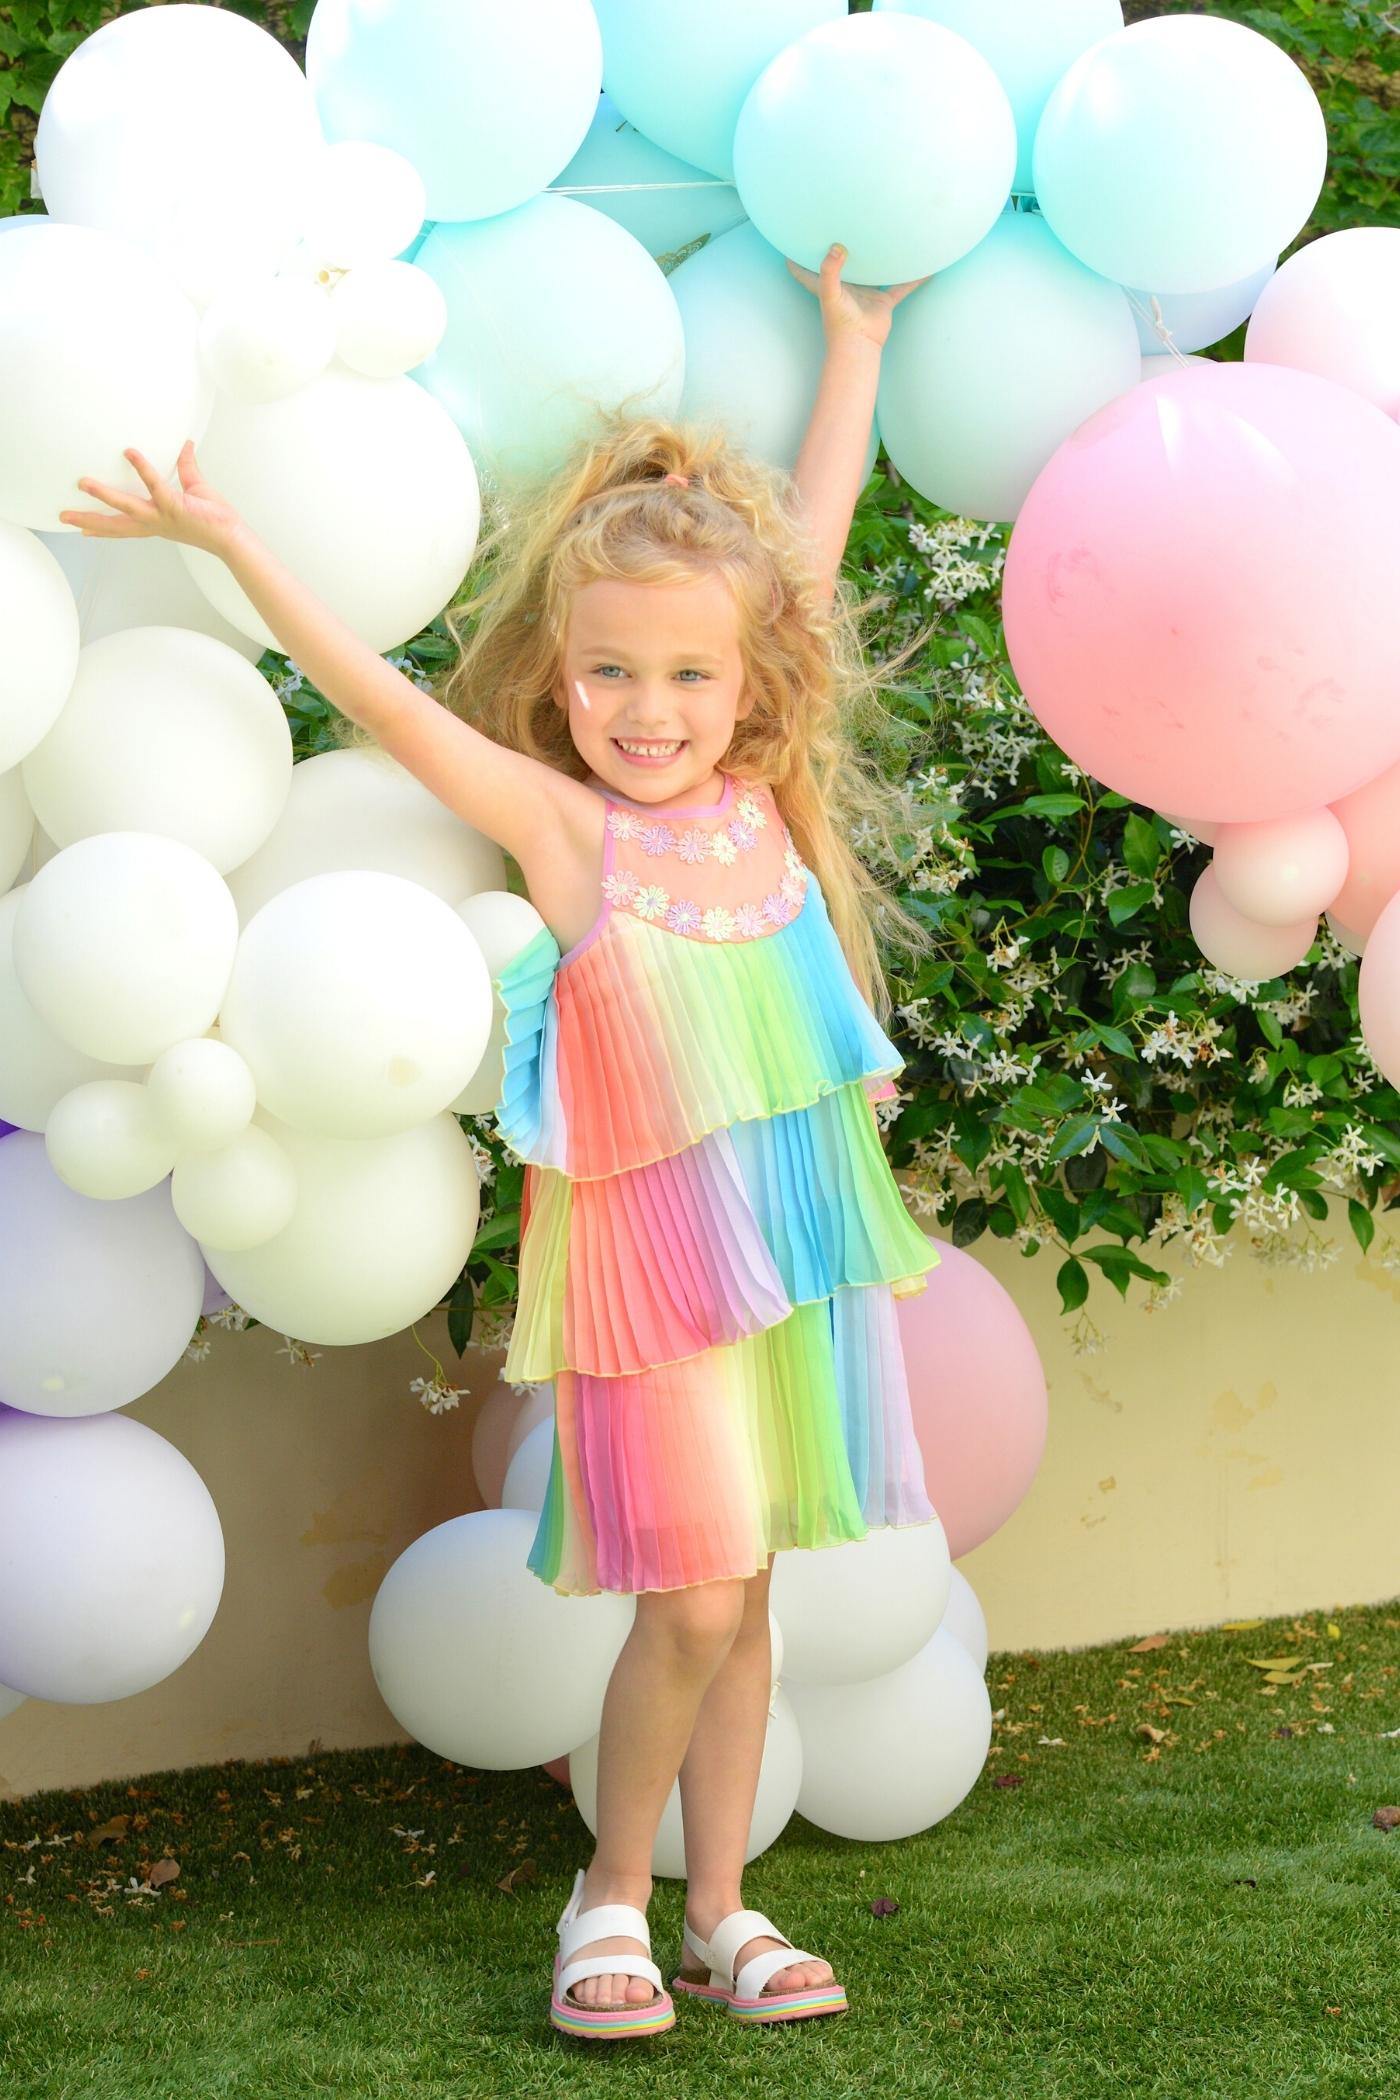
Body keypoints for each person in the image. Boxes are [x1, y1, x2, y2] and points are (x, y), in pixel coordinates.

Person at [59, 240, 941, 2041]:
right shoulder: (565, 831)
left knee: (748, 1601)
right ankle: (605, 1897)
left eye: (686, 677)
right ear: (566, 673)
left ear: (748, 684)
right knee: (688, 1610)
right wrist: (231, 541)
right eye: (611, 673)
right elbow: (382, 698)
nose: (648, 711)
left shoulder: (762, 799)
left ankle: (723, 1909)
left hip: (790, 1262)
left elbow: (814, 548)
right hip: (651, 1289)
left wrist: (855, 348)